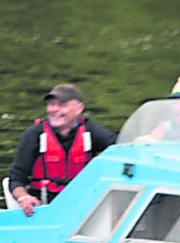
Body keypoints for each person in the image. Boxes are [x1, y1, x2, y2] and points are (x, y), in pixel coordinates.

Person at [6, 83, 118, 216]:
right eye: (52, 104)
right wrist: (24, 198)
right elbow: (15, 179)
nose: (54, 110)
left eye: (62, 105)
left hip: (81, 207)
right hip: (43, 208)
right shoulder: (34, 135)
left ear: (79, 108)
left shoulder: (91, 132)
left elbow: (119, 148)